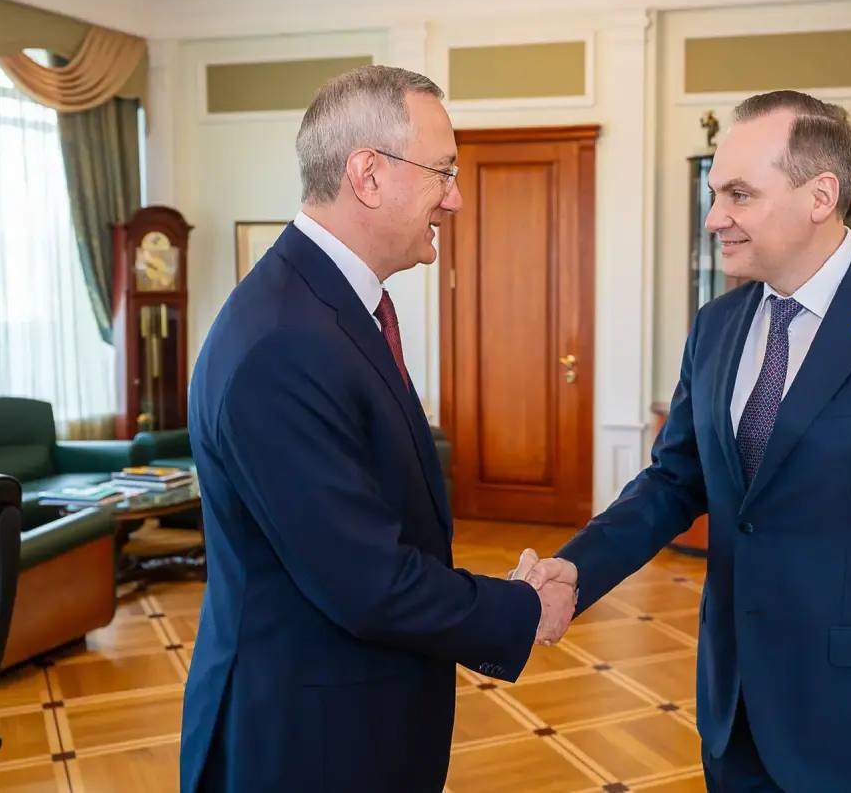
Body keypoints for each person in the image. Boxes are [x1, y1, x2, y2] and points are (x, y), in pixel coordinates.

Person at [519, 90, 851, 792]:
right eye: (714, 194)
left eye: (739, 194)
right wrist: (578, 568)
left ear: (821, 196)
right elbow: (674, 481)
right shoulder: (716, 325)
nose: (714, 217)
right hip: (734, 715)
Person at [179, 65, 575, 793]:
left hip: (347, 717)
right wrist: (521, 608)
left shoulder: (319, 307)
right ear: (368, 174)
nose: (455, 197)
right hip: (304, 742)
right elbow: (366, 582)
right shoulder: (284, 342)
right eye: (443, 172)